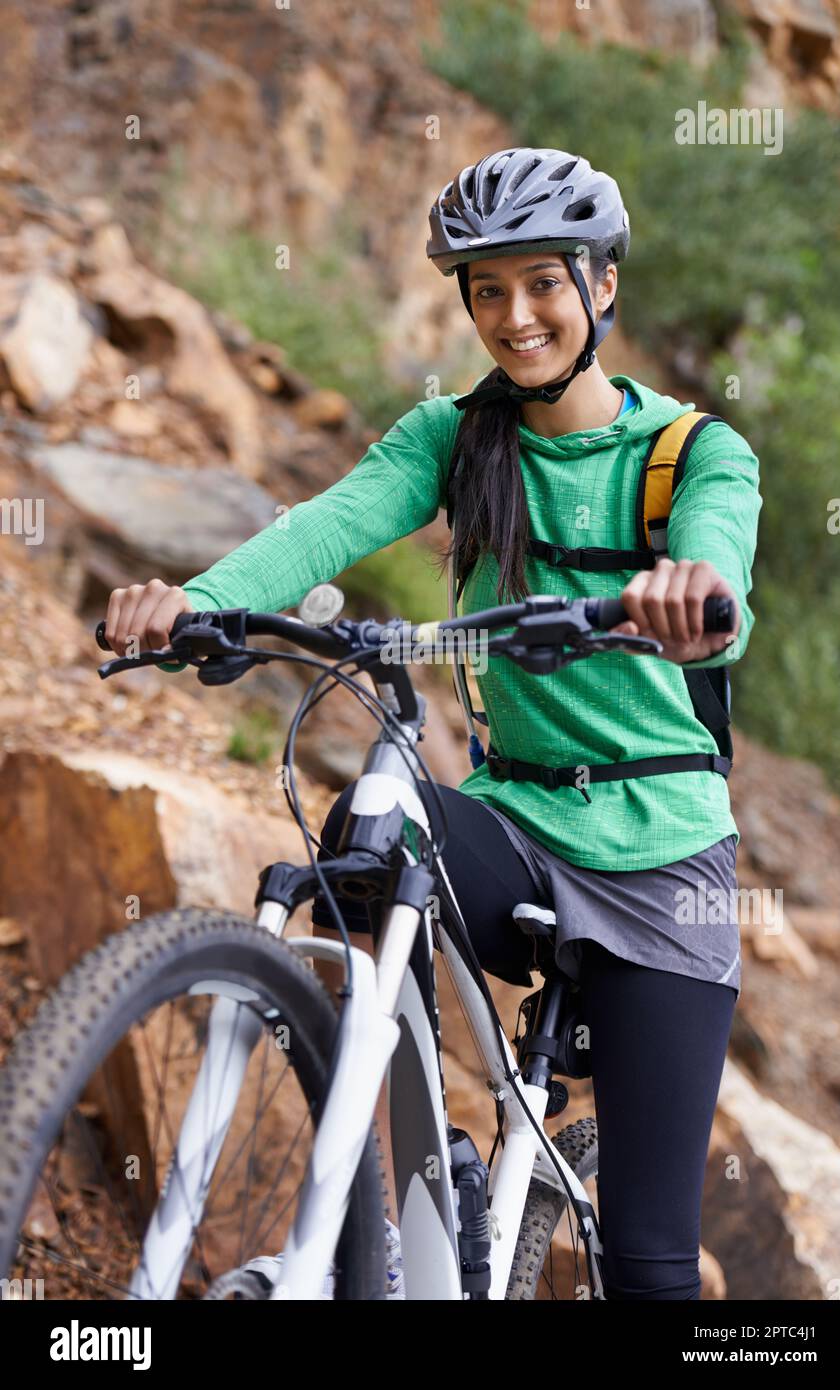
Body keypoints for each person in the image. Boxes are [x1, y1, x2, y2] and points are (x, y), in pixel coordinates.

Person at [102, 146, 762, 1300]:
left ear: (602, 286)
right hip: (514, 823)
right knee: (376, 805)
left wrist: (691, 599)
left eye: (544, 283)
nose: (516, 317)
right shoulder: (454, 439)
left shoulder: (693, 454)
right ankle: (414, 1182)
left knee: (654, 1266)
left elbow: (721, 572)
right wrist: (195, 604)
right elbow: (323, 525)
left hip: (663, 863)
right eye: (488, 289)